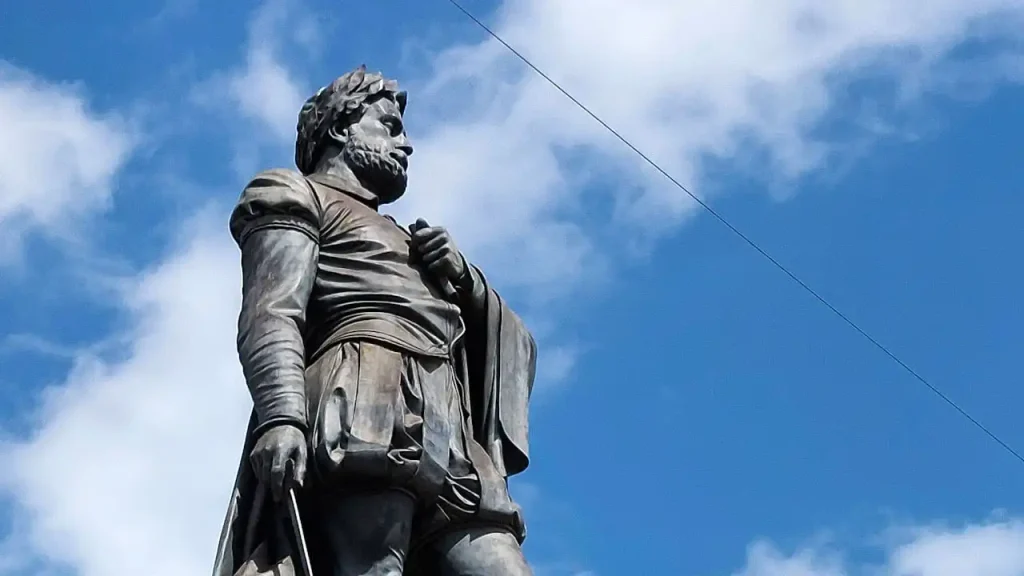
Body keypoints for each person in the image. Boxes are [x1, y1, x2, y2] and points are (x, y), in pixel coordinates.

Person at [212, 65, 537, 576]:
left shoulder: (417, 244)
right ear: (341, 129)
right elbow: (272, 312)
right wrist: (281, 415)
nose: (405, 145)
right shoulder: (294, 193)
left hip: (448, 424)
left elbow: (511, 346)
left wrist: (467, 283)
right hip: (363, 401)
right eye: (389, 126)